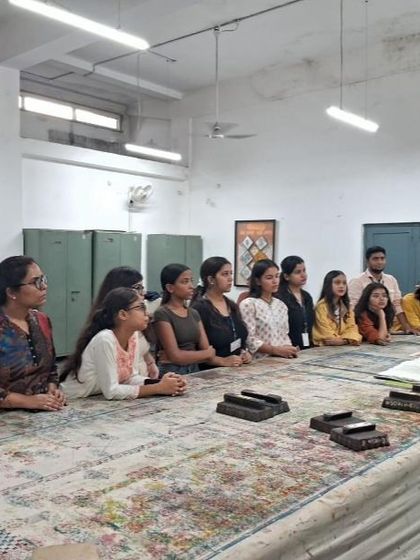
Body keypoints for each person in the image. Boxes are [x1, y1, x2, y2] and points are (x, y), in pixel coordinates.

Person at [60, 288, 186, 399]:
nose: (147, 313)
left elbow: (130, 378)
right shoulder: (105, 339)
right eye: (141, 307)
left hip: (98, 399)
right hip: (74, 401)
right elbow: (111, 391)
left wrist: (164, 383)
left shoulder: (133, 336)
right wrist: (158, 388)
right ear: (123, 314)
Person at [0, 256, 66, 411]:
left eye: (43, 279)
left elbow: (51, 369)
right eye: (35, 282)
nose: (44, 286)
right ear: (11, 292)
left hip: (42, 410)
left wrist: (53, 389)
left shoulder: (42, 320)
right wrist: (26, 401)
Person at [89, 266, 158, 378]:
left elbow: (141, 348)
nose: (143, 293)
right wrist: (153, 386)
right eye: (138, 288)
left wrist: (150, 363)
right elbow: (112, 384)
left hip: (138, 379)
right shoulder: (105, 335)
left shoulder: (135, 320)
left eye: (142, 287)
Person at [154, 264, 215, 374]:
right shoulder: (162, 313)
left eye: (191, 281)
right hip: (172, 371)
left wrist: (205, 354)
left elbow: (208, 352)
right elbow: (176, 356)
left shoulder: (193, 313)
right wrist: (205, 354)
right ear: (170, 288)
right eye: (185, 282)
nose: (191, 286)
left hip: (194, 369)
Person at [191, 257, 252, 368]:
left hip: (236, 368)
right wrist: (221, 361)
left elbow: (240, 335)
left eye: (231, 273)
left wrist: (244, 352)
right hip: (211, 371)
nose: (230, 278)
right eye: (225, 274)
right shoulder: (199, 308)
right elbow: (196, 349)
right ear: (211, 279)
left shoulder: (231, 305)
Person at [348, 246, 417, 333]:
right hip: (365, 327)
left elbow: (397, 305)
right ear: (367, 261)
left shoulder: (391, 280)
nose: (379, 262)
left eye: (382, 258)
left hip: (388, 327)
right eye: (375, 259)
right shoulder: (357, 281)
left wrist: (406, 327)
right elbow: (353, 308)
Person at [239, 259, 299, 359]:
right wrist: (275, 350)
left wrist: (289, 349)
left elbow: (285, 334)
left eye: (277, 276)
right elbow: (250, 339)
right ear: (258, 281)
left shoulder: (281, 305)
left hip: (282, 359)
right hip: (260, 361)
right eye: (269, 278)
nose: (275, 281)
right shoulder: (248, 304)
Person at [312, 270, 362, 346]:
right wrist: (347, 339)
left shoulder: (347, 307)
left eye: (344, 283)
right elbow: (326, 334)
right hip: (324, 348)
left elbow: (352, 329)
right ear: (328, 285)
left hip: (343, 346)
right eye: (337, 283)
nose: (342, 286)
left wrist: (344, 341)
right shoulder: (321, 306)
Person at [277, 256, 314, 349]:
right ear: (286, 276)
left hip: (307, 345)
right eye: (298, 272)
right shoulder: (280, 297)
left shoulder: (307, 296)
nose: (303, 275)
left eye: (304, 270)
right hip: (288, 347)